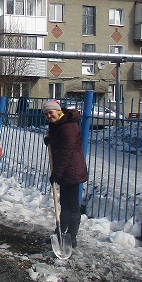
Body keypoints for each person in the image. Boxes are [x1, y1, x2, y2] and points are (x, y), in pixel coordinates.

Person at [43, 99, 88, 248]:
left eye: (51, 112)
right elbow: (59, 143)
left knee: (72, 205)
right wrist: (51, 139)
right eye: (46, 114)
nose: (49, 116)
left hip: (72, 170)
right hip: (65, 170)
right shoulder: (59, 125)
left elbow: (67, 152)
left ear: (58, 111)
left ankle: (72, 236)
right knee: (64, 204)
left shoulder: (68, 127)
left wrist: (57, 173)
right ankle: (60, 232)